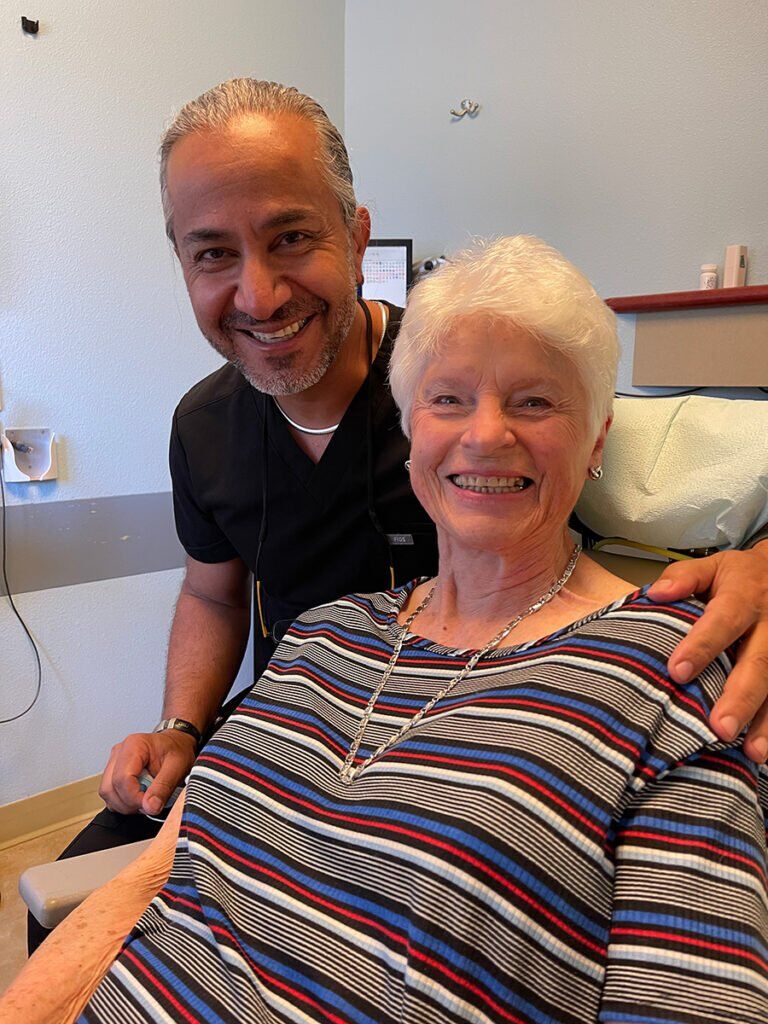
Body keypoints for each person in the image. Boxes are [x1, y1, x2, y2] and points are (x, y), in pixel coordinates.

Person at [30, 79, 768, 953]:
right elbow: (212, 594)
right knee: (71, 915)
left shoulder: (458, 374)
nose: (258, 296)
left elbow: (687, 459)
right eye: (213, 254)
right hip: (289, 730)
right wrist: (182, 729)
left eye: (291, 237)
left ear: (356, 238)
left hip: (462, 758)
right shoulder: (203, 427)